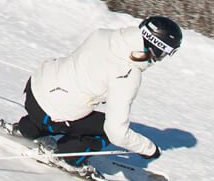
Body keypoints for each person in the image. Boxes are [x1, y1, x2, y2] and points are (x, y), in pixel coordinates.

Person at [13, 15, 183, 164]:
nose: (161, 59)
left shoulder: (103, 34)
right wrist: (149, 149)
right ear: (156, 48)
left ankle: (28, 128)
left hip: (34, 88)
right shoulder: (128, 74)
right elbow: (117, 132)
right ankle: (69, 157)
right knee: (106, 130)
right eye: (165, 54)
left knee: (70, 95)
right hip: (51, 113)